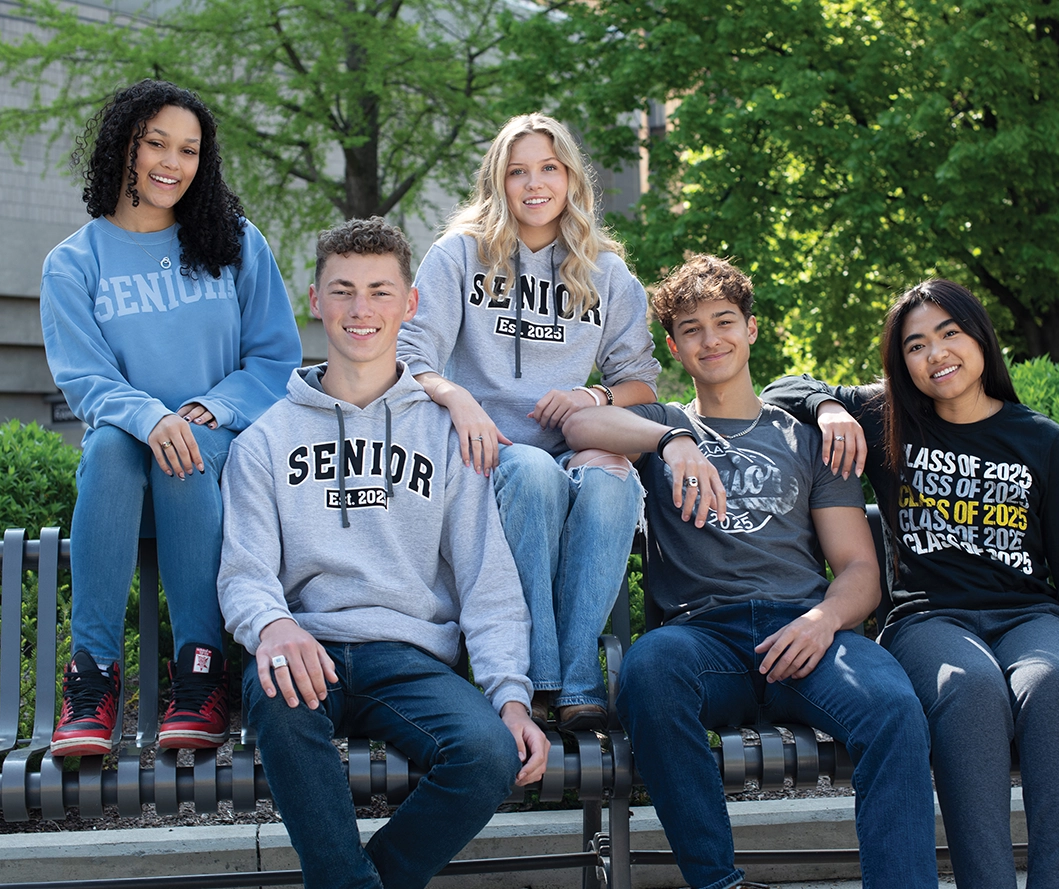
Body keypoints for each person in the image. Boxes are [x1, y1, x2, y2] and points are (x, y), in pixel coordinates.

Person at [562, 256, 938, 889]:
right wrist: (672, 442)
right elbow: (577, 423)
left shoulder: (807, 438)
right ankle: (720, 884)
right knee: (649, 673)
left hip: (807, 632)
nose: (711, 340)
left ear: (752, 329)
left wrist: (822, 622)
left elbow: (858, 570)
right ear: (675, 346)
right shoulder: (661, 425)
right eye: (691, 329)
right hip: (704, 638)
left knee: (896, 710)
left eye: (725, 321)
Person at [762, 279, 1059, 889]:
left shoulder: (1042, 440)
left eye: (950, 334)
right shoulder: (889, 422)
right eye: (915, 346)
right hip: (927, 620)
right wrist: (833, 406)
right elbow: (779, 389)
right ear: (901, 363)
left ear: (980, 339)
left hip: (1028, 618)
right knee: (967, 690)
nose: (936, 354)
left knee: (1052, 686)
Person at [218, 217, 549, 889]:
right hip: (304, 648)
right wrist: (273, 624)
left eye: (378, 291)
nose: (360, 310)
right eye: (342, 291)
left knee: (488, 753)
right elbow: (245, 575)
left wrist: (510, 697)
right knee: (277, 702)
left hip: (407, 657)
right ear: (315, 299)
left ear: (409, 303)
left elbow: (486, 576)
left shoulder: (447, 434)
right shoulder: (264, 441)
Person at [41, 79, 301, 757]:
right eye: (156, 142)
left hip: (218, 449)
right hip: (124, 462)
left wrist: (211, 407)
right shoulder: (74, 263)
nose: (171, 162)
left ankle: (201, 671)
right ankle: (91, 677)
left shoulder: (234, 242)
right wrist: (150, 416)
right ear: (123, 146)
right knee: (107, 449)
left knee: (181, 453)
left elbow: (275, 358)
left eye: (188, 150)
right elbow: (84, 376)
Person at [396, 112, 662, 730]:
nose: (534, 183)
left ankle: (573, 673)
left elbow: (642, 383)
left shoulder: (606, 271)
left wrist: (593, 398)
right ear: (499, 181)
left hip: (576, 445)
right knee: (536, 472)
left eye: (549, 168)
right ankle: (558, 677)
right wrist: (459, 399)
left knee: (611, 482)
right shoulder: (459, 255)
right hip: (488, 453)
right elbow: (411, 359)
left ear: (570, 177)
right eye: (518, 171)